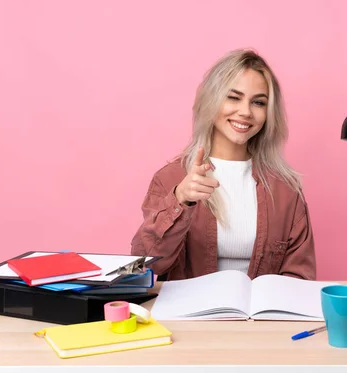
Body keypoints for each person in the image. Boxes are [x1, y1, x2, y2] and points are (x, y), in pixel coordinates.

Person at [131, 49, 316, 281]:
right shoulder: (170, 179)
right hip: (189, 316)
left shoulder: (285, 189)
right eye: (233, 97)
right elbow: (146, 264)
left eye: (258, 102)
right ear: (211, 99)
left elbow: (299, 277)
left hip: (263, 317)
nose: (246, 112)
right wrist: (180, 200)